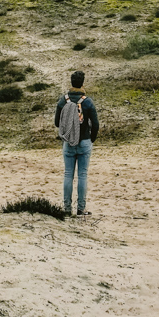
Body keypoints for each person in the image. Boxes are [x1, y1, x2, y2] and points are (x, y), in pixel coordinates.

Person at [54, 70, 99, 217]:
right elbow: (96, 124)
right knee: (82, 175)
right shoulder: (87, 101)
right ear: (82, 83)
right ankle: (81, 209)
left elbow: (56, 123)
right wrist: (91, 138)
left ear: (71, 82)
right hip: (84, 141)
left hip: (68, 142)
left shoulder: (63, 100)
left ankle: (67, 209)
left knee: (68, 175)